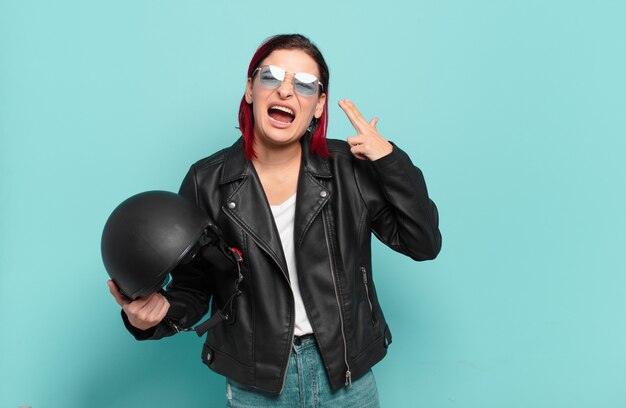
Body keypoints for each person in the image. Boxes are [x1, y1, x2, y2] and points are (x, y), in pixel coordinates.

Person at [108, 33, 441, 407]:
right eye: (271, 77)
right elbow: (195, 286)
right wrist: (155, 318)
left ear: (319, 105)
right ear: (250, 89)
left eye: (304, 84)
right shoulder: (207, 181)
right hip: (257, 384)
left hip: (346, 378)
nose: (286, 91)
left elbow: (422, 243)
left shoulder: (351, 169)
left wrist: (389, 161)